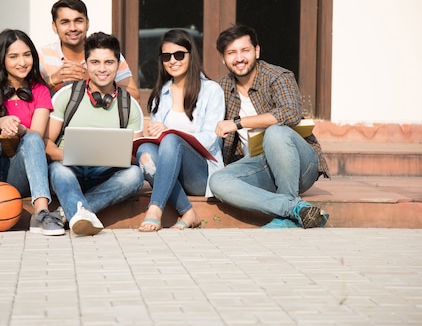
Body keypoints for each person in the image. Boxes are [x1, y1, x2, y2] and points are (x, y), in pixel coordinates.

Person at [210, 24, 330, 229]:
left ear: (257, 51)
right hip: (259, 166)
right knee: (218, 182)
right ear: (223, 58)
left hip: (299, 165)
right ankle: (293, 210)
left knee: (275, 132)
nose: (239, 58)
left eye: (245, 50)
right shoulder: (220, 88)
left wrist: (238, 123)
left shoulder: (278, 76)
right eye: (231, 53)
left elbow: (290, 113)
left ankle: (289, 202)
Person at [0, 29, 65, 235]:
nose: (22, 62)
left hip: (16, 174)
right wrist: (1, 122)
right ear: (2, 59)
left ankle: (41, 213)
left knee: (34, 138)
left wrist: (21, 129)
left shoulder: (40, 90)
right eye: (13, 56)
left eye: (27, 55)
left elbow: (36, 132)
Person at [45, 32, 144, 236]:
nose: (102, 69)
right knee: (58, 171)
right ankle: (79, 213)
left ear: (118, 65)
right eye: (95, 62)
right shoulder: (67, 95)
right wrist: (67, 155)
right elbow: (46, 144)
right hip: (68, 169)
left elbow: (136, 153)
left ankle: (65, 213)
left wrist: (120, 157)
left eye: (109, 62)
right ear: (86, 65)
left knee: (135, 176)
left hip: (105, 175)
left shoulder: (129, 105)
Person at [136, 29, 225, 232]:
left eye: (179, 55)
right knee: (144, 152)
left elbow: (211, 139)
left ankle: (155, 209)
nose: (173, 61)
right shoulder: (161, 94)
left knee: (171, 140)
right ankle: (187, 211)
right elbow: (158, 142)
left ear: (190, 55)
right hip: (170, 171)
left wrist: (170, 132)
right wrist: (154, 134)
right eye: (167, 56)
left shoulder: (211, 90)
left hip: (201, 173)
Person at [37, 0, 140, 101]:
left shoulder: (106, 54)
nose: (73, 28)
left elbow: (136, 98)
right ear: (54, 27)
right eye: (65, 22)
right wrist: (52, 80)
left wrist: (93, 79)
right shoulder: (41, 56)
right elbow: (24, 99)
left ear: (87, 23)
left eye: (78, 21)